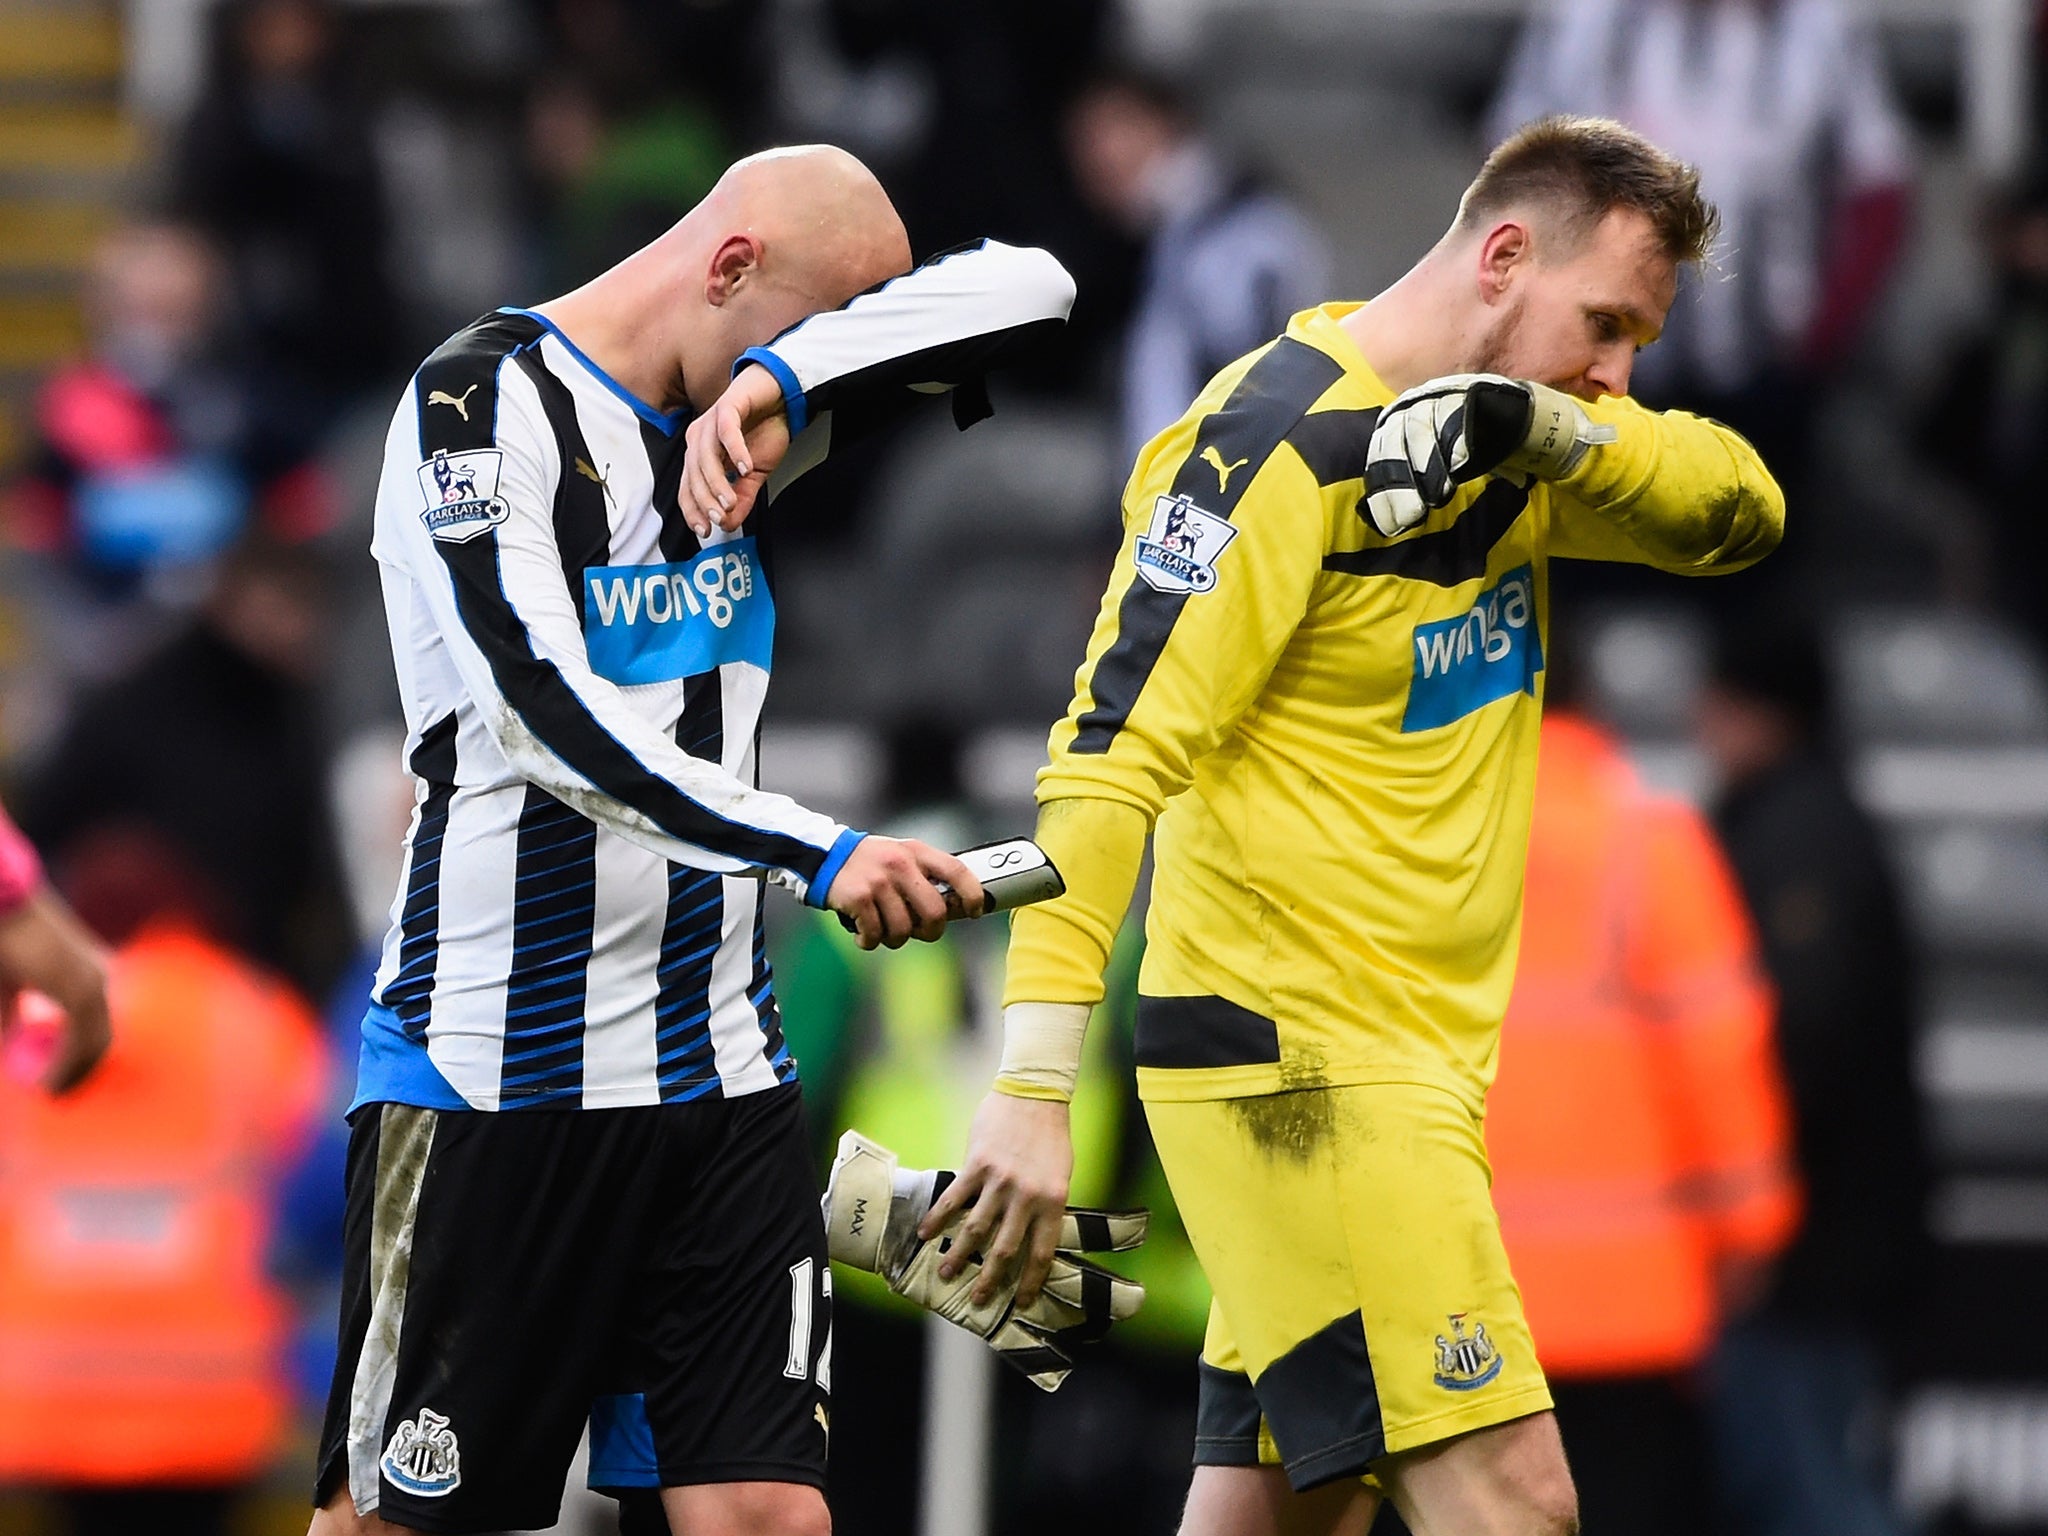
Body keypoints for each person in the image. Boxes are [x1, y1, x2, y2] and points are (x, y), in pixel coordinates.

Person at [925, 115, 1785, 1535]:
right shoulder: (1267, 447)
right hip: (1306, 1073)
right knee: (1516, 1504)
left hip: (1399, 1074)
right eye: (1607, 326)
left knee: (1275, 1520)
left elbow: (1740, 515)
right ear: (1505, 254)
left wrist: (1543, 425)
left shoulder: (1510, 428)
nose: (1620, 373)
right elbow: (1103, 763)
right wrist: (1030, 1088)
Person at [312, 145, 1075, 1536]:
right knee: (393, 1523)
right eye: (795, 337)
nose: (813, 375)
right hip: (496, 1075)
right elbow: (545, 718)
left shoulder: (754, 411)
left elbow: (1036, 288)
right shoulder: (480, 407)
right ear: (728, 271)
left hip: (715, 1074)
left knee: (766, 1516)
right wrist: (822, 853)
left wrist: (789, 379)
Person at [1485, 647, 1800, 1536]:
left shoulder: (1405, 842)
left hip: (1454, 1309)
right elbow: (1720, 1051)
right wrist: (1753, 1229)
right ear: (1590, 703)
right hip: (1635, 1313)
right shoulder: (1651, 840)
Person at [0, 831, 326, 1536]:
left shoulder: (25, 1018)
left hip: (49, 1401)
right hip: (217, 1406)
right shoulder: (250, 1015)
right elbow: (327, 1182)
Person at [1695, 615, 1926, 1536]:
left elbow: (1802, 1039)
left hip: (1809, 1244)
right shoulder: (1804, 818)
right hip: (1820, 1234)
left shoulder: (1800, 838)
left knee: (1812, 1490)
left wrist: (1748, 1211)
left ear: (1756, 710)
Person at [1487, 0, 1912, 500]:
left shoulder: (1817, 25)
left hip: (1770, 369)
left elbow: (1879, 188)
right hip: (1603, 377)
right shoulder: (1586, 18)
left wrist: (1823, 336)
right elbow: (1508, 171)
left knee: (1750, 545)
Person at [1065, 65, 1334, 465]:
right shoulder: (1164, 237)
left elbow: (1261, 365)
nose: (1096, 154)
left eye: (1113, 128)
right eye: (1082, 141)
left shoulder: (1246, 226)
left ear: (1166, 119)